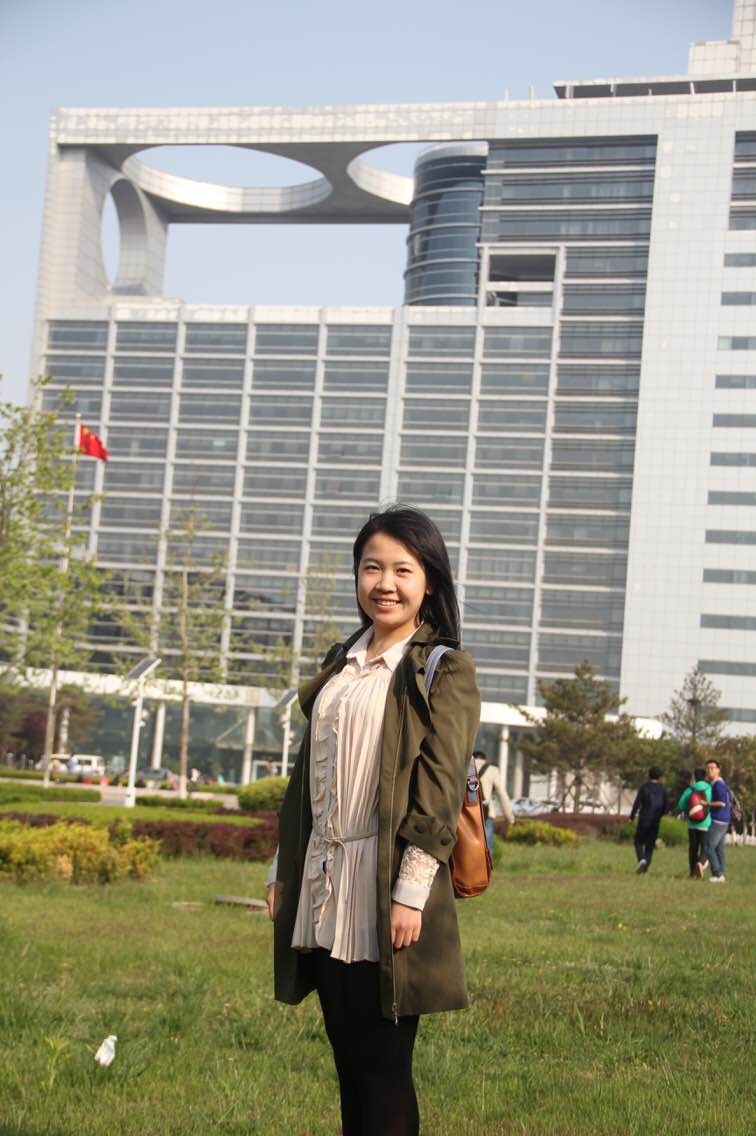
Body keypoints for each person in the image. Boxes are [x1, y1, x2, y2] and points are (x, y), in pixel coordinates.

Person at [266, 506, 480, 1136]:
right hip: (326, 879)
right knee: (349, 1063)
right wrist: (282, 868)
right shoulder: (342, 662)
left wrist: (409, 894)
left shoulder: (442, 669)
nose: (384, 583)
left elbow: (440, 786)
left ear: (429, 581)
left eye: (402, 570)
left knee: (384, 1069)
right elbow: (306, 781)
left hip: (384, 884)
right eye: (371, 567)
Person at [472, 749, 514, 852]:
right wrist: (509, 818)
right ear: (485, 760)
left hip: (465, 814)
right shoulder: (492, 770)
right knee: (486, 850)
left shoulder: (464, 767)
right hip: (486, 813)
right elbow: (502, 794)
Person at [629, 766, 669, 873]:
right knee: (650, 845)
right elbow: (666, 806)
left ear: (649, 775)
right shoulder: (663, 789)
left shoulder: (644, 787)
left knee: (638, 841)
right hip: (655, 820)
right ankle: (645, 867)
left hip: (644, 818)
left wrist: (632, 816)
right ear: (660, 777)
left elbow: (637, 803)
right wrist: (661, 815)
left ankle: (642, 860)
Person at [677, 768, 712, 879]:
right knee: (705, 847)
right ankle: (700, 864)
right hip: (706, 823)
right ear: (705, 777)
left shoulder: (690, 790)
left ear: (694, 778)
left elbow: (680, 805)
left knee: (693, 848)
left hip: (692, 824)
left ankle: (692, 873)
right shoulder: (709, 789)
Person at [703, 758, 732, 883]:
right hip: (725, 820)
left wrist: (707, 804)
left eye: (712, 768)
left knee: (708, 847)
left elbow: (722, 803)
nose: (709, 770)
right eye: (707, 768)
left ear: (718, 770)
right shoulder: (722, 784)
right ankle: (721, 875)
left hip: (718, 820)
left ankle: (717, 874)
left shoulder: (718, 785)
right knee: (719, 849)